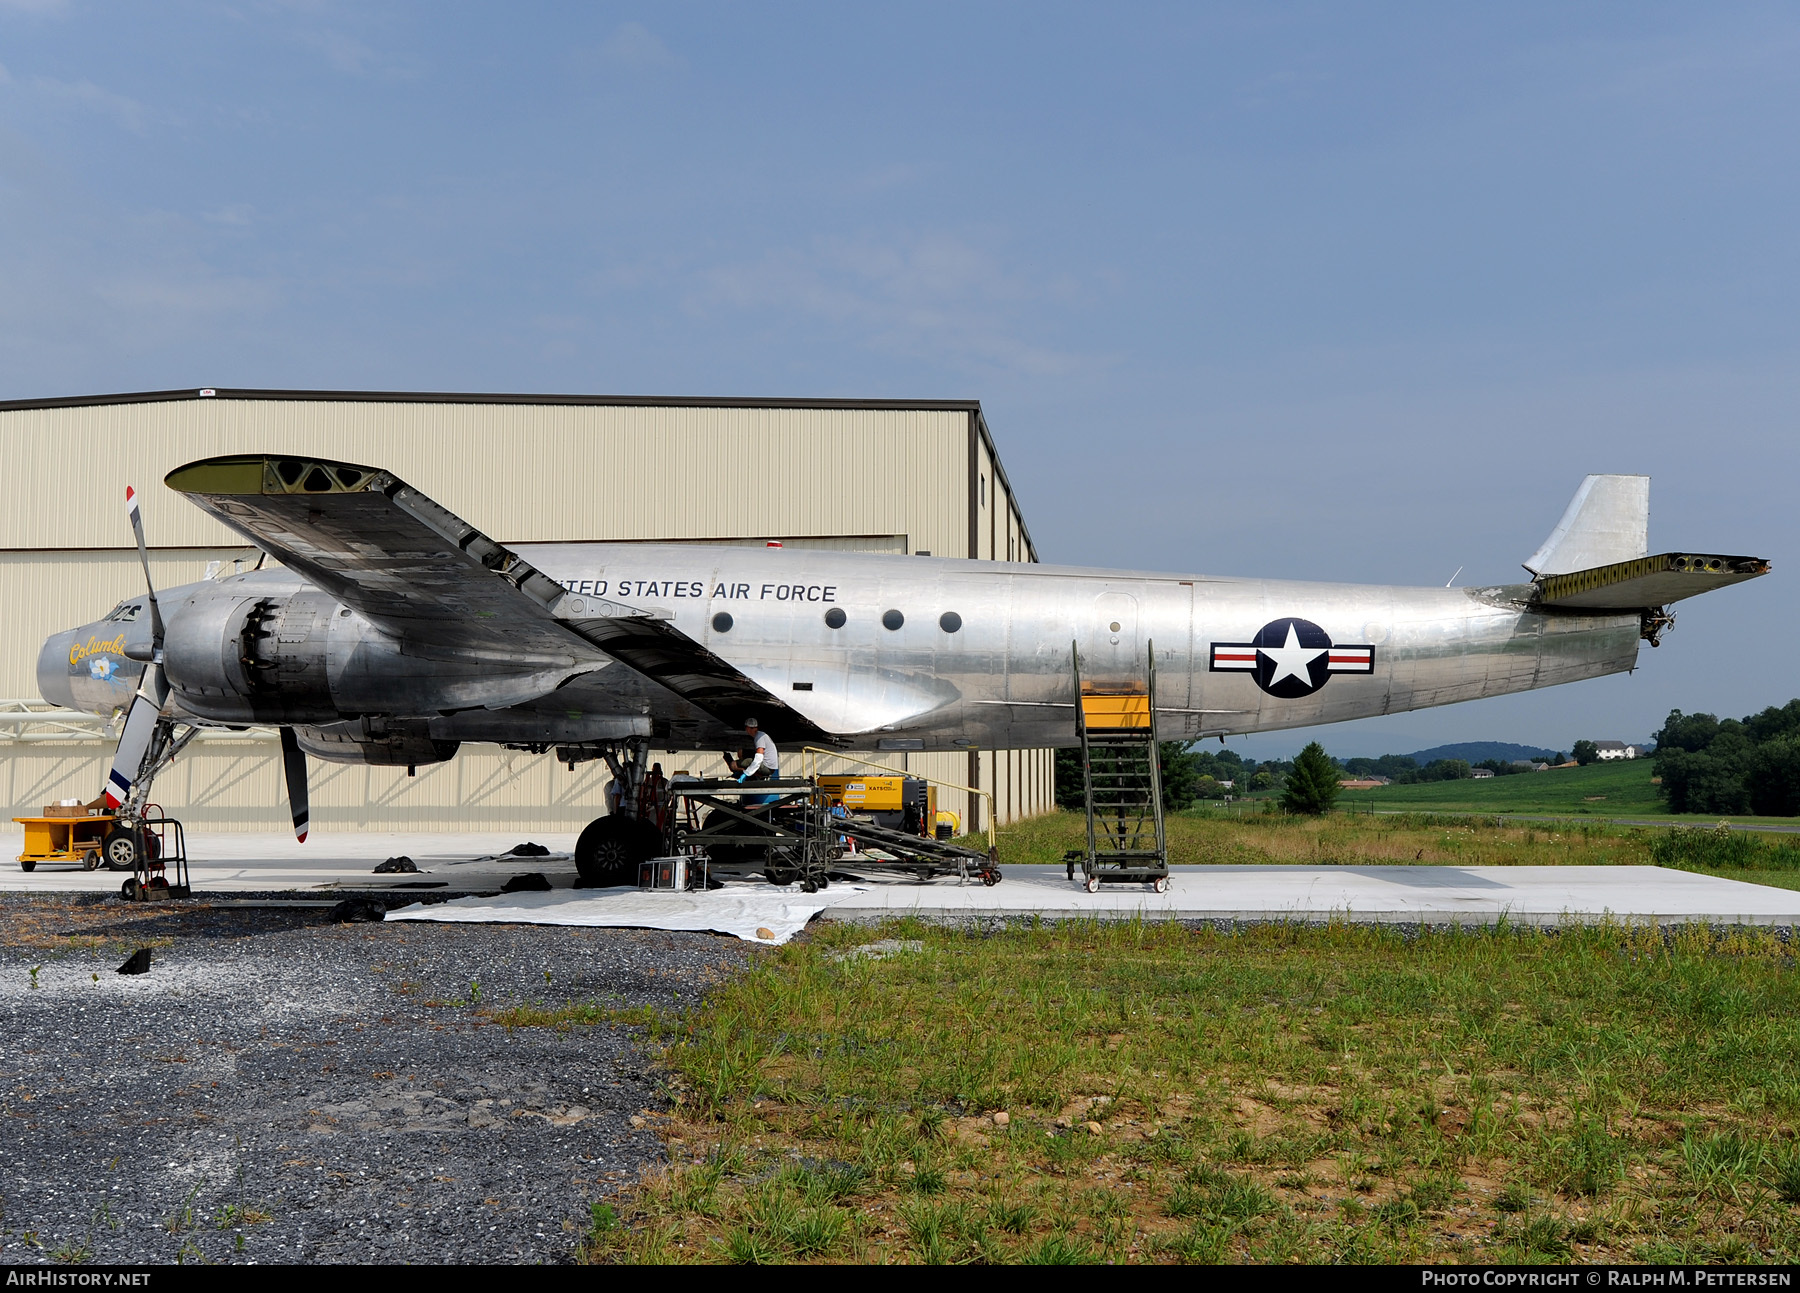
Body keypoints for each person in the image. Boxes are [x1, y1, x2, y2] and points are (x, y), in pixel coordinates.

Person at [736, 718, 779, 782]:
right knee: (741, 752)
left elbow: (759, 758)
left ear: (747, 728)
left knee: (734, 764)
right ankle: (754, 773)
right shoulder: (760, 735)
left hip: (767, 768)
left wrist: (746, 773)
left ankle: (753, 775)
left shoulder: (759, 738)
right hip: (770, 766)